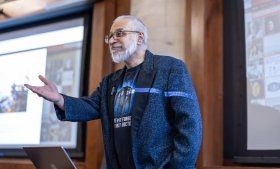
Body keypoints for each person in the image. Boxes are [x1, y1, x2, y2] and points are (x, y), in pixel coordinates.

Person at [24, 15, 202, 169]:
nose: (112, 40)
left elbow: (189, 123)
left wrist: (179, 166)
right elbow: (91, 106)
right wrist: (59, 99)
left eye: (119, 33)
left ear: (140, 38)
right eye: (109, 36)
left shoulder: (169, 68)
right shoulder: (111, 81)